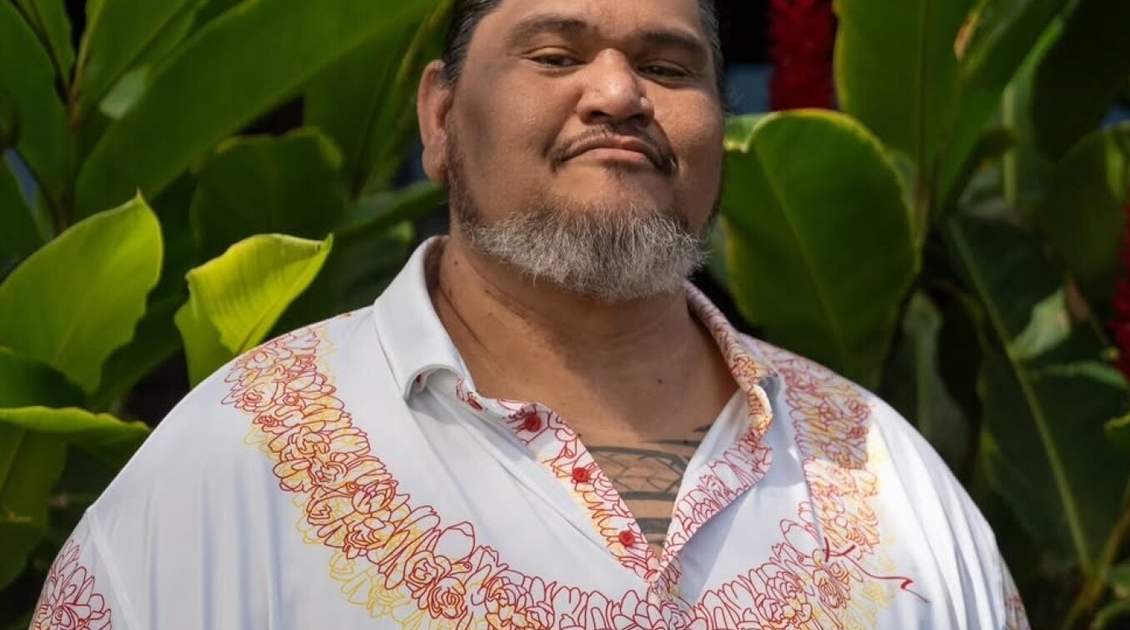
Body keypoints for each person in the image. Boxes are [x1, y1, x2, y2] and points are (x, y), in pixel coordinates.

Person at [30, 0, 1029, 628]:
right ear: (438, 116)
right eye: (554, 54)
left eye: (671, 67)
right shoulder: (235, 464)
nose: (619, 91)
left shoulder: (888, 480)